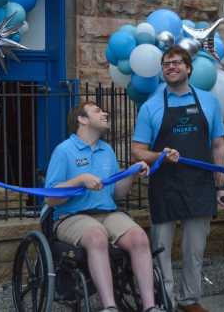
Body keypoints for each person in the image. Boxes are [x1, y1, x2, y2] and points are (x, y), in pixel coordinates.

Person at [131, 46, 224, 312]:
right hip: (165, 186)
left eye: (176, 62)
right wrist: (159, 155)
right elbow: (137, 150)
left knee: (194, 249)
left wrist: (221, 185)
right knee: (161, 248)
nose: (171, 67)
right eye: (166, 64)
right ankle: (165, 299)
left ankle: (190, 299)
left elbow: (218, 146)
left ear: (189, 68)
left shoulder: (209, 102)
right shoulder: (150, 106)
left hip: (199, 185)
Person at [44, 101, 164, 312]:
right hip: (71, 216)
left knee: (139, 238)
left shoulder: (106, 150)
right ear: (82, 119)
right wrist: (79, 179)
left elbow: (117, 193)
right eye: (97, 111)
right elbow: (50, 199)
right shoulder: (64, 150)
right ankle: (109, 307)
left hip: (107, 213)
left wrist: (132, 173)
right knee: (97, 236)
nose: (105, 113)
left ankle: (150, 307)